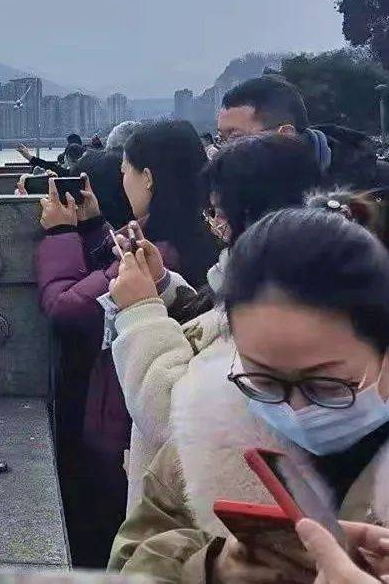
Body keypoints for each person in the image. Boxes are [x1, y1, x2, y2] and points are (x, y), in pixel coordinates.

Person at [109, 208, 389, 582]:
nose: (295, 408)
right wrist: (211, 568)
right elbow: (127, 566)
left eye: (325, 386)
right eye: (265, 381)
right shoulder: (201, 440)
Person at [106, 133, 323, 510]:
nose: (213, 227)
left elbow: (174, 415)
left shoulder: (279, 307)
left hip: (203, 537)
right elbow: (211, 329)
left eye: (219, 214)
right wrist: (163, 287)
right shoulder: (286, 275)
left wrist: (141, 312)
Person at [35, 119, 216, 566]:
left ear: (147, 178)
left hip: (128, 426)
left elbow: (66, 307)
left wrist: (59, 235)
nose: (123, 181)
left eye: (126, 173)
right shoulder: (197, 238)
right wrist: (96, 225)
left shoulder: (155, 254)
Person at [218, 74, 389, 190]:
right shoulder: (232, 198)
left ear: (285, 136)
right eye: (221, 140)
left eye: (235, 139)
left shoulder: (377, 187)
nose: (222, 153)